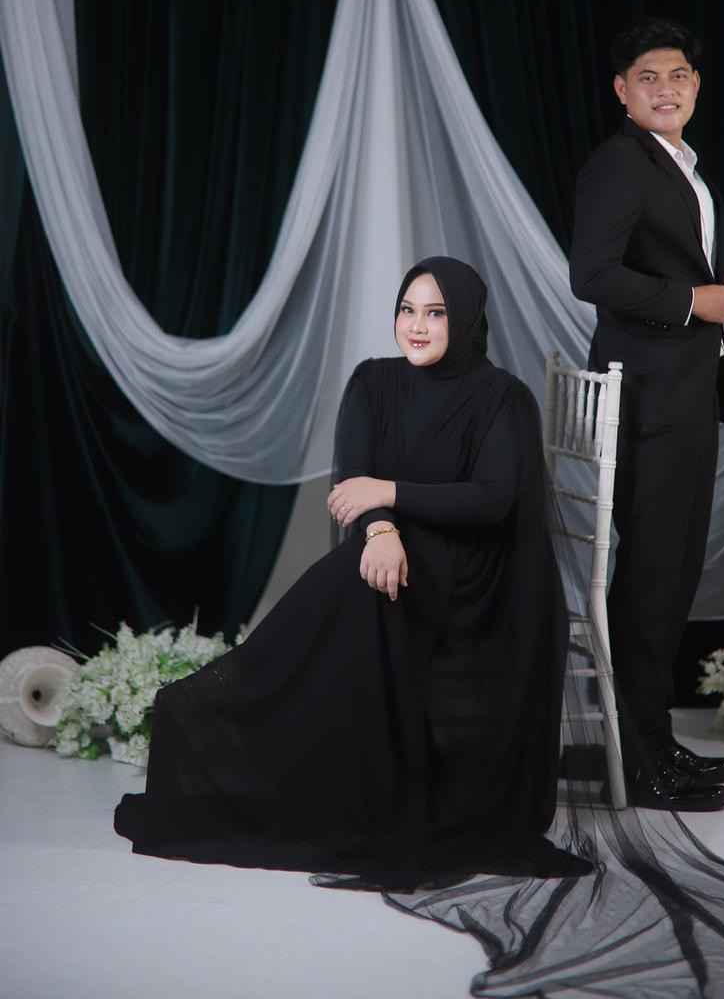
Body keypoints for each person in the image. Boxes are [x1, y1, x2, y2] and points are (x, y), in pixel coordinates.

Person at [114, 256, 592, 887]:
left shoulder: (504, 399)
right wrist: (383, 528)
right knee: (364, 580)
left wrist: (387, 493)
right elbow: (352, 484)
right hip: (393, 555)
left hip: (480, 575)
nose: (416, 326)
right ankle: (265, 732)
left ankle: (292, 731)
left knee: (363, 588)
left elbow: (491, 501)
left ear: (467, 319)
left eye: (436, 313)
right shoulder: (372, 382)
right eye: (407, 310)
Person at [570, 18, 724, 811]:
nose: (666, 88)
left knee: (669, 574)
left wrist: (717, 293)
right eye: (648, 77)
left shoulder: (679, 164)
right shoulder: (620, 163)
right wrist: (690, 302)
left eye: (678, 75)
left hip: (682, 392)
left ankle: (651, 738)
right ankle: (637, 760)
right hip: (650, 399)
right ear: (623, 91)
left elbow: (671, 263)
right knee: (651, 577)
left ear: (696, 86)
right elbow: (591, 274)